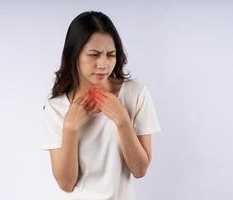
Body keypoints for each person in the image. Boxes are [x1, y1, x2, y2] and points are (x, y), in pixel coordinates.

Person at [41, 11, 161, 200]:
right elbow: (66, 184)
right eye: (94, 55)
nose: (103, 64)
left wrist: (122, 120)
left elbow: (140, 169)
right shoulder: (56, 107)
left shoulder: (136, 94)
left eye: (111, 55)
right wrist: (70, 128)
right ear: (74, 55)